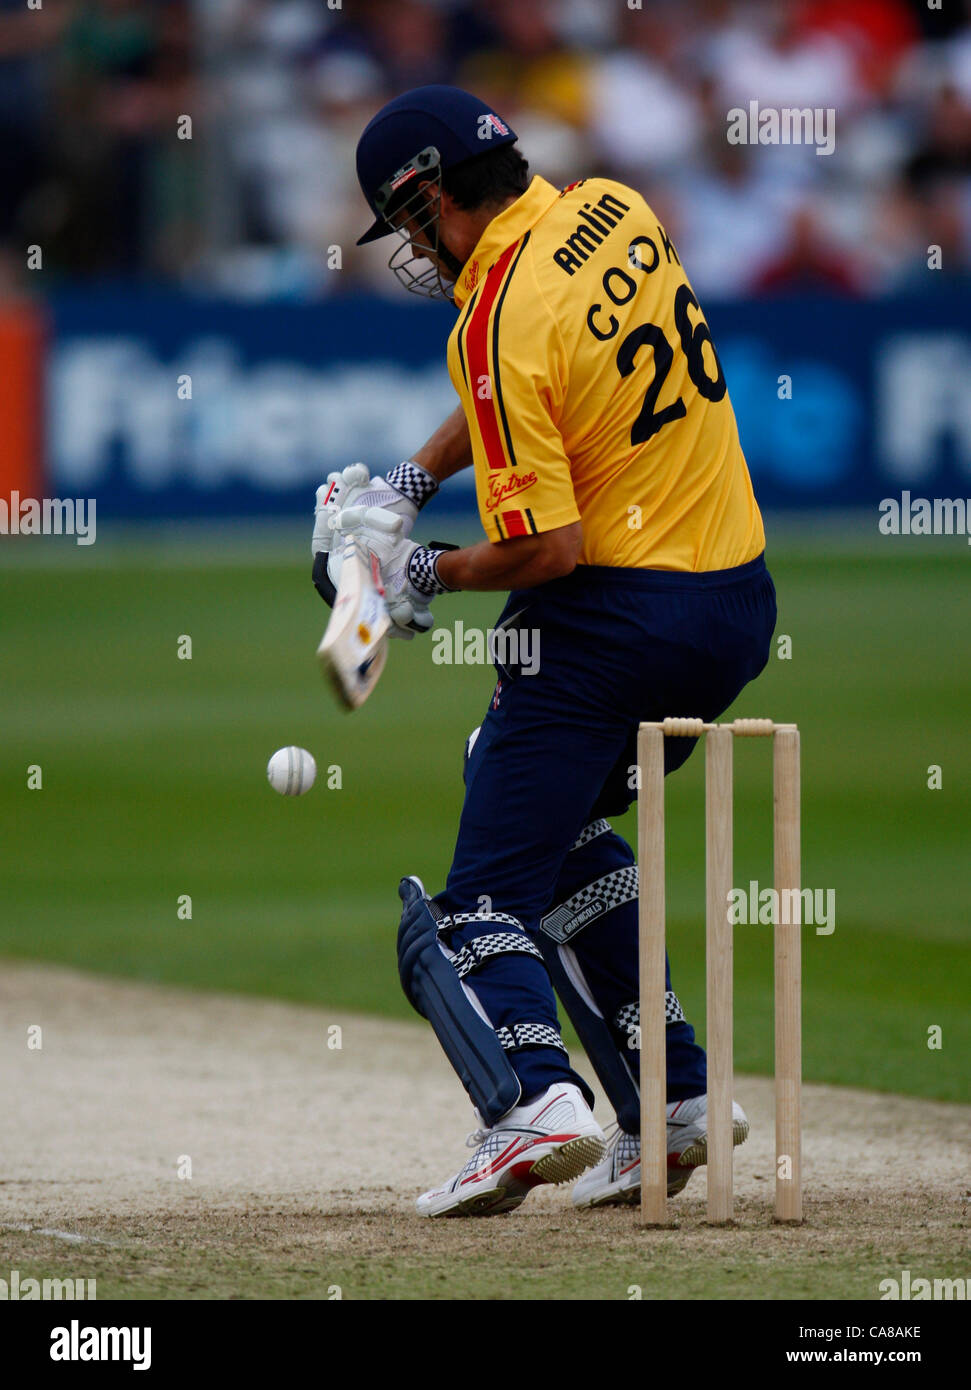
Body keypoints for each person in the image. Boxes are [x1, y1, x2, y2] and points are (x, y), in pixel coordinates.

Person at [312, 85, 776, 1217]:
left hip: (610, 623)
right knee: (552, 815)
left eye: (406, 220)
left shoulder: (491, 312)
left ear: (427, 197)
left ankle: (531, 1103)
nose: (413, 248)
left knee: (480, 901)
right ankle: (669, 1105)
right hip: (732, 607)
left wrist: (424, 572)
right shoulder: (614, 209)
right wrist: (414, 484)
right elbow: (536, 388)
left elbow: (549, 549)